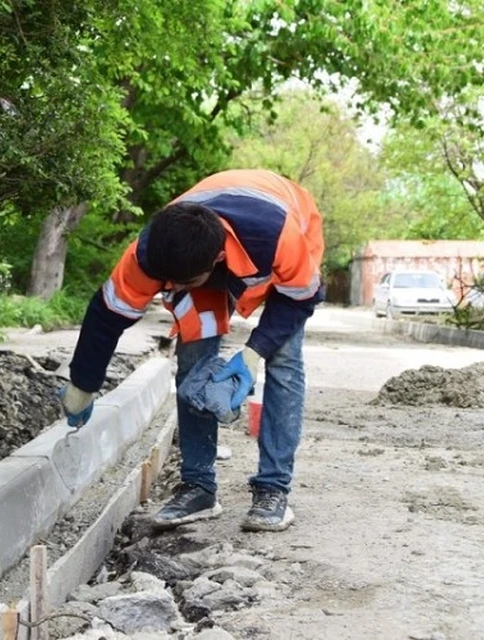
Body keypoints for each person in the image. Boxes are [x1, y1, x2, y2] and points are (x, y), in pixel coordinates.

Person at [59, 169, 324, 532]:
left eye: (181, 282)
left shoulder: (276, 236)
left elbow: (302, 298)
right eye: (168, 282)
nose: (172, 288)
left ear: (216, 259)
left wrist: (253, 353)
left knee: (283, 358)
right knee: (192, 353)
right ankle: (198, 487)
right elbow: (107, 315)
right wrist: (82, 384)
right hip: (204, 252)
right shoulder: (151, 250)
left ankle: (273, 488)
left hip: (288, 235)